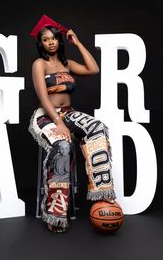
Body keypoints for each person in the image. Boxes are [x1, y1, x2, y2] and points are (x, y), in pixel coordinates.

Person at [28, 14, 116, 233]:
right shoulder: (39, 64)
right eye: (45, 39)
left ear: (59, 40)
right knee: (63, 146)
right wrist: (58, 123)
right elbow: (43, 97)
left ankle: (101, 193)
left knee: (97, 128)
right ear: (41, 43)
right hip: (46, 116)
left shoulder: (68, 64)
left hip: (68, 114)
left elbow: (93, 69)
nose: (50, 42)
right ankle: (55, 213)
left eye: (54, 38)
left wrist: (77, 43)